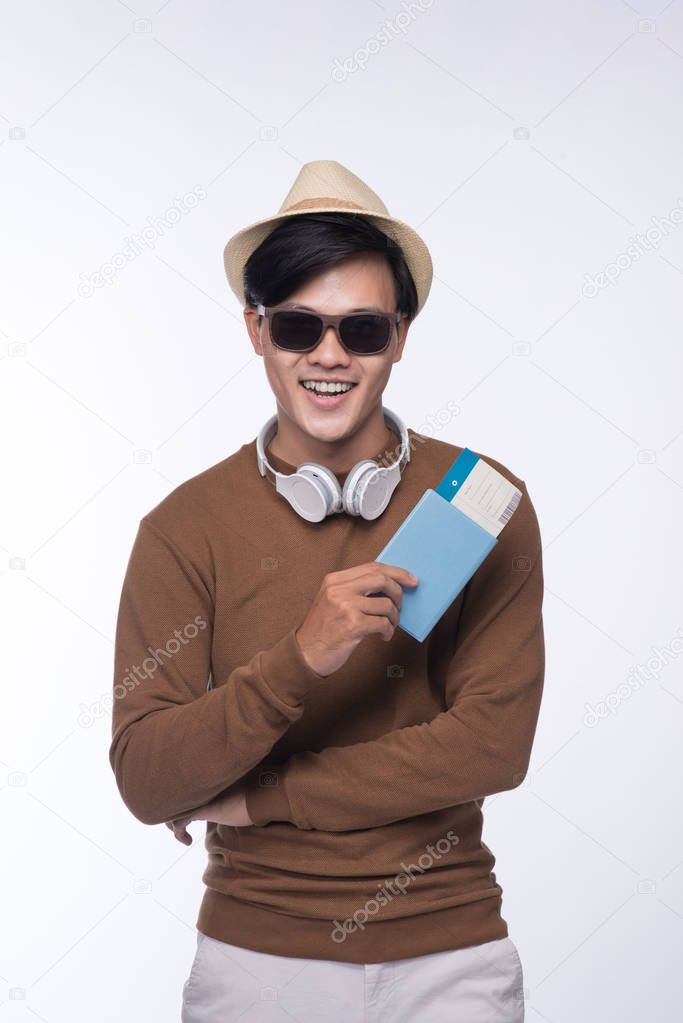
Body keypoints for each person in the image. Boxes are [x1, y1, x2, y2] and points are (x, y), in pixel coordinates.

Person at [109, 160, 544, 1022]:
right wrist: (300, 658)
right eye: (298, 326)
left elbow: (491, 747)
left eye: (362, 329)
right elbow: (149, 777)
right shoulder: (182, 527)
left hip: (451, 955)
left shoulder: (482, 500)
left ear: (402, 334)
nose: (329, 355)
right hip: (255, 964)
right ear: (255, 329)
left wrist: (251, 795)